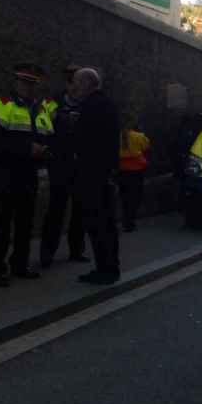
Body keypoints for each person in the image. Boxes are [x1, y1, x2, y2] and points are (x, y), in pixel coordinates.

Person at [0, 63, 54, 287]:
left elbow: (47, 138)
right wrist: (26, 149)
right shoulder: (0, 104)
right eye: (24, 83)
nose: (28, 88)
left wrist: (45, 151)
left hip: (28, 174)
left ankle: (20, 265)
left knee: (25, 224)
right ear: (15, 83)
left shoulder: (40, 110)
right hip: (5, 174)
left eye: (32, 84)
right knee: (1, 225)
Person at [72, 68, 121, 285]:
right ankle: (112, 267)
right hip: (105, 173)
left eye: (77, 83)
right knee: (108, 225)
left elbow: (84, 141)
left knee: (97, 224)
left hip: (92, 174)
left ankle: (104, 270)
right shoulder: (108, 104)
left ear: (87, 84)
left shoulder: (91, 107)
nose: (74, 88)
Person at [39, 64, 89, 267]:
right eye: (72, 82)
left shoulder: (87, 104)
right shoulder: (52, 103)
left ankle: (76, 250)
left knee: (79, 210)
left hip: (81, 164)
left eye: (78, 83)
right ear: (67, 83)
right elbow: (43, 129)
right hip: (60, 163)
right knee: (56, 209)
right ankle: (47, 253)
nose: (75, 87)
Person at [118, 119, 150, 233]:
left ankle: (127, 220)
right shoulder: (139, 136)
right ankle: (130, 221)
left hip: (121, 172)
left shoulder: (117, 137)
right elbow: (147, 147)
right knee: (135, 198)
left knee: (125, 198)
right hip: (136, 172)